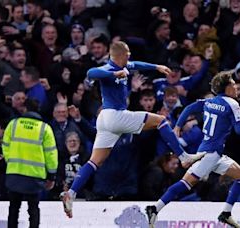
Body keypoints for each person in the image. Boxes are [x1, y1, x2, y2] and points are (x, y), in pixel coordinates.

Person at [60, 41, 204, 218]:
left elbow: (137, 64)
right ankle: (184, 157)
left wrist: (156, 67)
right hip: (115, 115)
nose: (129, 58)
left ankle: (71, 194)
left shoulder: (126, 65)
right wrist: (113, 73)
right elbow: (92, 72)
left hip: (105, 119)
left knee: (95, 161)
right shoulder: (108, 68)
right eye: (127, 55)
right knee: (161, 121)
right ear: (119, 55)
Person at [145, 71, 240, 228]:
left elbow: (189, 108)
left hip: (213, 153)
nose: (236, 87)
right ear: (226, 87)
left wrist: (178, 125)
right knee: (186, 183)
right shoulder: (232, 104)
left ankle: (226, 213)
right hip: (209, 154)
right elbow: (239, 130)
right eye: (233, 84)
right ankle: (154, 208)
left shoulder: (210, 101)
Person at [2, 99, 58, 228]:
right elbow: (51, 154)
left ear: (25, 109)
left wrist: (10, 162)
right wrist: (51, 176)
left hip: (14, 172)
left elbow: (5, 146)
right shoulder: (45, 129)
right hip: (35, 175)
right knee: (33, 209)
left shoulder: (13, 124)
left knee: (14, 208)